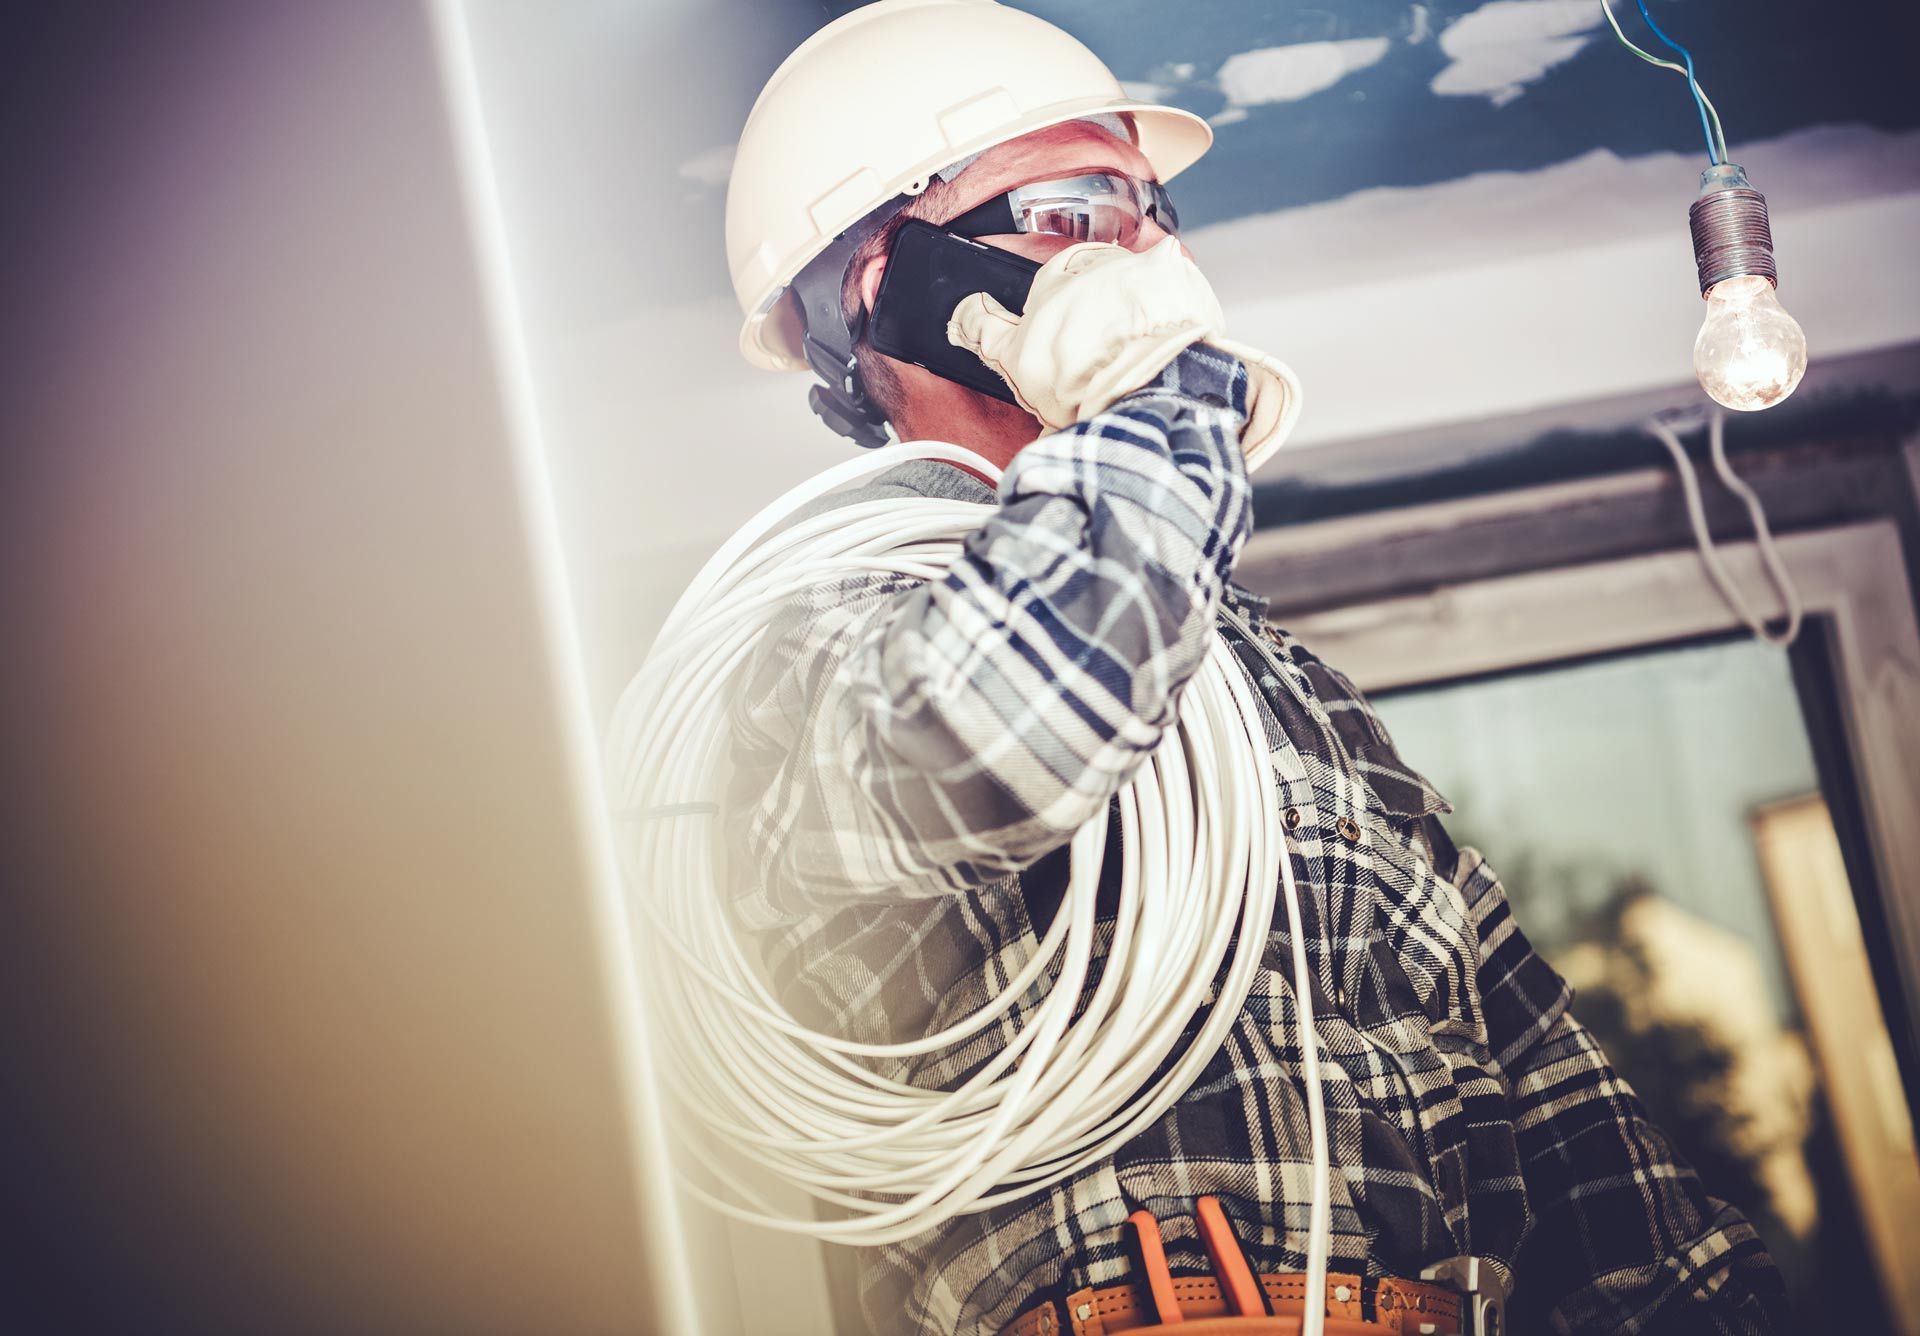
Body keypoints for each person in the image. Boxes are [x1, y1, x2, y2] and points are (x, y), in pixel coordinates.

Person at [720, 3, 1785, 1331]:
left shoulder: (1283, 692)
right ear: (889, 283)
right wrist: (1158, 407)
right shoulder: (814, 639)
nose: (1151, 254)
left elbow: (1581, 1158)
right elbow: (1003, 731)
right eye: (1073, 210)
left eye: (1153, 211)